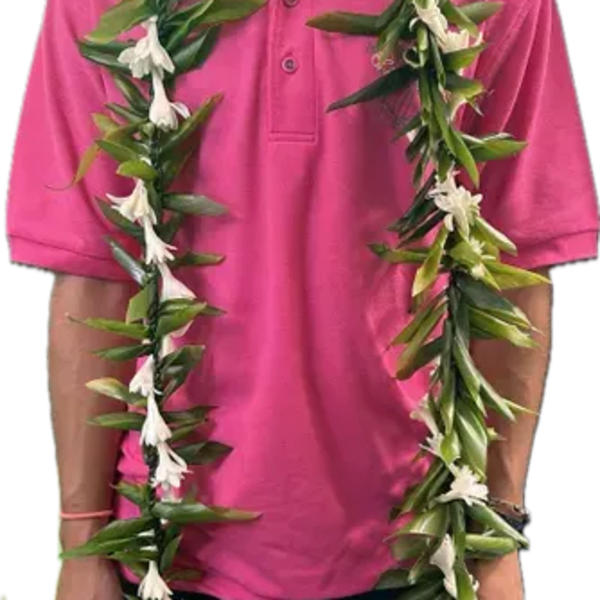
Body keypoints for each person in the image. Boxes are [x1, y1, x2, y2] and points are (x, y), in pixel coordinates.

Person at [4, 1, 598, 600]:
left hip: (420, 541)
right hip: (166, 542)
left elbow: (512, 260)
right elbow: (94, 268)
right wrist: (83, 539)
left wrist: (494, 535)